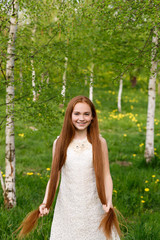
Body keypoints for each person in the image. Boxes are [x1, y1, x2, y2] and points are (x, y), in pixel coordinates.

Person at [17, 96, 121, 240]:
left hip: (93, 203)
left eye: (86, 114)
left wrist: (108, 201)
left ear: (92, 117)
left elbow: (106, 175)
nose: (81, 118)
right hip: (67, 204)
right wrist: (45, 202)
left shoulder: (99, 142)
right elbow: (55, 176)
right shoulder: (60, 143)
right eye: (77, 113)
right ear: (69, 115)